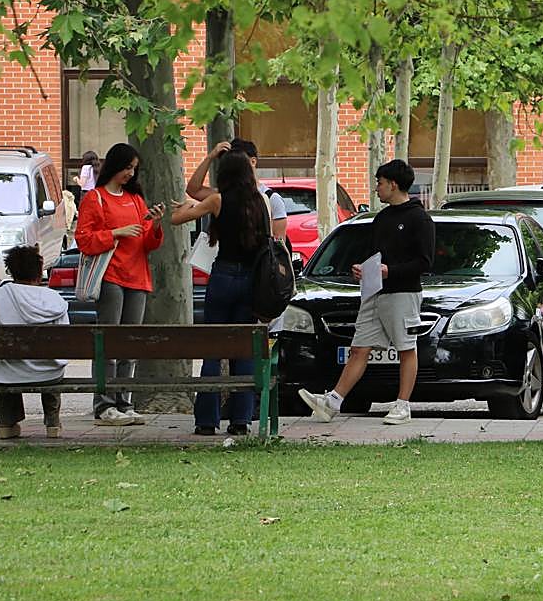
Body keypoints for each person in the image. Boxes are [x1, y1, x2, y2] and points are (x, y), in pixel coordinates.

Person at [298, 159, 434, 426]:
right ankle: (333, 401)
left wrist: (389, 271)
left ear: (393, 184)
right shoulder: (381, 218)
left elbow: (425, 262)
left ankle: (403, 405)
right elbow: (375, 254)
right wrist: (365, 269)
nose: (376, 189)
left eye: (380, 183)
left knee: (406, 348)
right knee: (359, 348)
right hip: (375, 293)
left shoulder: (419, 218)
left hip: (402, 294)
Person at [171, 151, 272, 436]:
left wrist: (210, 156)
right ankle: (241, 419)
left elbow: (178, 217)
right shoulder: (259, 202)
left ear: (224, 175)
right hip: (251, 280)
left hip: (224, 275)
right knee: (243, 349)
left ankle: (207, 420)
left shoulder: (218, 200)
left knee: (213, 348)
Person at [74, 142, 166, 427]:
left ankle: (125, 402)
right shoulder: (96, 199)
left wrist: (156, 224)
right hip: (111, 275)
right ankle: (104, 404)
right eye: (127, 168)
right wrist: (117, 232)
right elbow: (84, 239)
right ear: (115, 166)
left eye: (134, 169)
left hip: (138, 276)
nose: (130, 174)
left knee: (130, 344)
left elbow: (148, 241)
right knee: (110, 342)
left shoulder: (136, 200)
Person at [0, 245, 69, 439]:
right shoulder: (54, 298)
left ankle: (7, 424)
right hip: (48, 372)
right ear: (39, 273)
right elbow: (64, 338)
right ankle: (53, 424)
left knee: (4, 369)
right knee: (51, 366)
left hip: (9, 372)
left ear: (11, 271)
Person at [186, 138, 288, 244]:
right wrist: (210, 157)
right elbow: (194, 190)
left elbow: (279, 245)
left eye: (238, 161)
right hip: (227, 258)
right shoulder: (223, 195)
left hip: (256, 259)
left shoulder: (272, 199)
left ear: (253, 161)